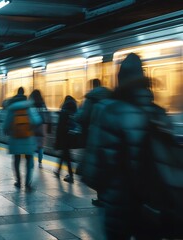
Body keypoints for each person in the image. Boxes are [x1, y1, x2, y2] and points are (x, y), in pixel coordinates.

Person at [82, 53, 170, 239]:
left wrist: (103, 189)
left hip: (118, 201)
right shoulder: (158, 113)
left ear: (120, 79)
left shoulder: (108, 111)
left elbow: (94, 166)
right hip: (151, 203)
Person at [74, 79, 112, 206]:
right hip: (109, 138)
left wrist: (75, 117)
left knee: (97, 166)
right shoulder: (112, 98)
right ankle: (108, 194)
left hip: (93, 136)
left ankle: (101, 197)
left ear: (92, 87)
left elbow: (83, 117)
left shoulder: (90, 100)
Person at [3, 87, 41, 190]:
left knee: (16, 160)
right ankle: (28, 183)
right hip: (28, 137)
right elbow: (37, 120)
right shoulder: (29, 106)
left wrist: (7, 130)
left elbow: (6, 125)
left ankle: (18, 181)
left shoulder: (11, 108)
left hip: (15, 137)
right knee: (29, 160)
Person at [54, 95, 77, 183]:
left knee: (66, 156)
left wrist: (57, 140)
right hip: (71, 136)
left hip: (64, 136)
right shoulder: (74, 110)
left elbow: (60, 127)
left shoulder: (64, 110)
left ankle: (70, 176)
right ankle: (58, 171)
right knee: (65, 154)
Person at [29, 89, 49, 168]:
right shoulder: (43, 103)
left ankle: (31, 159)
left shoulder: (31, 104)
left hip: (33, 125)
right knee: (41, 145)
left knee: (33, 142)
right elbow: (46, 114)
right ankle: (40, 161)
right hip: (42, 126)